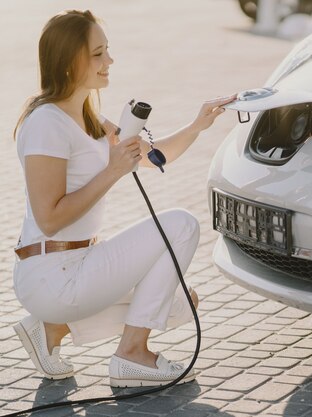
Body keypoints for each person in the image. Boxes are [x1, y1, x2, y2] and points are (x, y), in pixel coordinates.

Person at [12, 9, 234, 387]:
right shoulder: (46, 123)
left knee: (182, 302)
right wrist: (112, 170)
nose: (109, 61)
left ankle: (51, 330)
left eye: (107, 51)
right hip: (51, 272)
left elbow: (156, 156)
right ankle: (132, 354)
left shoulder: (90, 117)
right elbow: (49, 219)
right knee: (181, 225)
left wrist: (198, 124)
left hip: (80, 263)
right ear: (69, 61)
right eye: (98, 54)